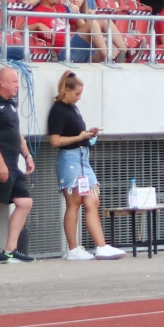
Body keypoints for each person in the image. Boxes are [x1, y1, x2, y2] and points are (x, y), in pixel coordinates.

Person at [44, 72, 127, 261]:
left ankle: (101, 246)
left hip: (82, 159)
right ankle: (73, 249)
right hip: (70, 160)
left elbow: (75, 134)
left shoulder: (73, 109)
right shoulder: (58, 110)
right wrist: (80, 137)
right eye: (77, 93)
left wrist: (88, 134)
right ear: (67, 91)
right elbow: (55, 140)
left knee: (92, 202)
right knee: (74, 203)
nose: (79, 97)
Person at [0, 66, 35, 263]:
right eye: (14, 82)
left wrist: (27, 155)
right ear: (2, 82)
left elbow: (16, 133)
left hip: (12, 163)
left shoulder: (11, 105)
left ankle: (11, 249)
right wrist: (0, 163)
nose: (18, 86)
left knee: (25, 202)